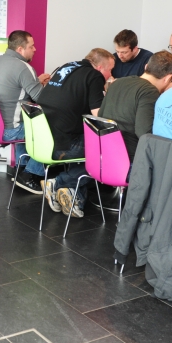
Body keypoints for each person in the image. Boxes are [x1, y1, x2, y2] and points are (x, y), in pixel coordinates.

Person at [36, 48, 114, 217]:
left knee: (85, 139)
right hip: (63, 144)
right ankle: (59, 182)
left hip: (42, 139)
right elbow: (98, 116)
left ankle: (73, 197)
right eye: (110, 70)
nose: (110, 75)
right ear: (100, 67)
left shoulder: (67, 66)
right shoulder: (94, 76)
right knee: (107, 151)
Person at [0, 30, 51, 194]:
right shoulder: (24, 67)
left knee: (26, 123)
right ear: (20, 49)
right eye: (31, 46)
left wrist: (36, 82)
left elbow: (15, 89)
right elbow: (42, 98)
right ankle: (30, 174)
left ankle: (21, 169)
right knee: (51, 130)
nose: (35, 49)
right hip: (10, 130)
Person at [99, 51, 172, 160]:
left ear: (146, 67)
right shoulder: (149, 91)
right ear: (168, 78)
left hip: (104, 151)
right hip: (128, 157)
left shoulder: (118, 82)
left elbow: (100, 115)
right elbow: (144, 133)